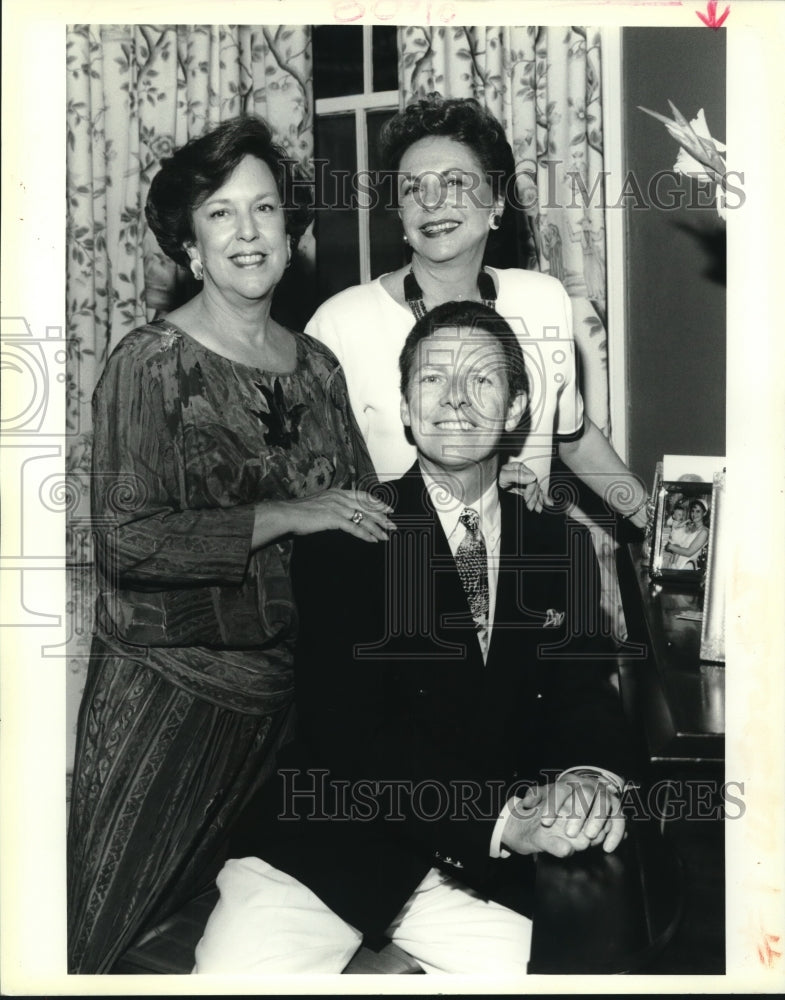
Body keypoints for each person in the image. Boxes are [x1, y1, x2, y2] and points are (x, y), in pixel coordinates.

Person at [193, 301, 634, 976]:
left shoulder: (560, 544)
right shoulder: (347, 538)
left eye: (480, 380)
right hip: (332, 848)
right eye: (431, 380)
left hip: (474, 869)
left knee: (587, 973)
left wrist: (583, 776)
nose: (454, 398)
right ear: (405, 407)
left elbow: (584, 695)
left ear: (516, 409)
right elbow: (351, 734)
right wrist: (501, 819)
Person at [67, 115, 395, 974]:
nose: (247, 232)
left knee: (255, 938)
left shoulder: (318, 365)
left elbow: (355, 511)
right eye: (221, 214)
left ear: (290, 234)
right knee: (96, 932)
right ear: (189, 245)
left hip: (295, 703)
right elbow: (128, 539)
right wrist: (288, 514)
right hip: (171, 697)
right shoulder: (150, 363)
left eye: (265, 211)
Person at [305, 95, 648, 529]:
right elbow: (320, 493)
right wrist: (470, 491)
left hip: (521, 573)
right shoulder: (339, 323)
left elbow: (573, 440)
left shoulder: (546, 300)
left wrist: (662, 530)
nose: (431, 202)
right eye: (413, 187)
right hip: (401, 576)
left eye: (454, 183)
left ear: (498, 202)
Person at [665, 498, 710, 570]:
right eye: (692, 511)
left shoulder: (704, 532)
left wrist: (670, 546)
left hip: (686, 567)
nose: (694, 514)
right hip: (674, 564)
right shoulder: (689, 526)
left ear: (704, 513)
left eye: (698, 511)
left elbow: (688, 552)